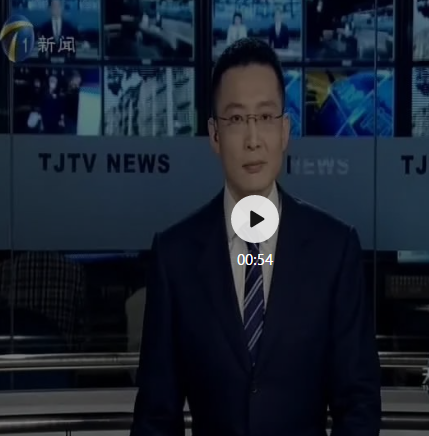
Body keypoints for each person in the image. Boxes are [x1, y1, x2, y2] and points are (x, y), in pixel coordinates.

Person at [131, 37, 381, 436]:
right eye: (236, 119)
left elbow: (359, 407)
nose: (252, 139)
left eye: (265, 117)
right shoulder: (174, 257)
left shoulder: (334, 251)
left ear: (284, 131)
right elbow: (155, 419)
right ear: (214, 135)